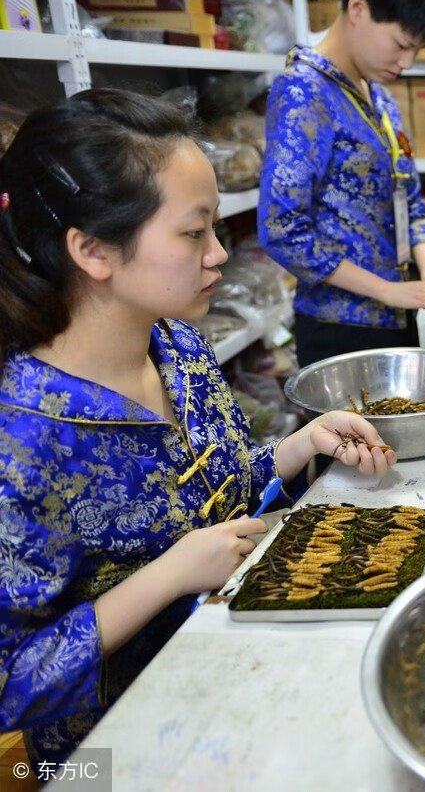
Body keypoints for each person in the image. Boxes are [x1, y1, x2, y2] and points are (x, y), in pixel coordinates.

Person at [0, 88, 398, 764]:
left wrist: (301, 447)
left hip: (236, 679)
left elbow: (220, 501)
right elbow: (12, 686)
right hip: (117, 755)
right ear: (94, 250)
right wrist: (166, 577)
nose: (218, 254)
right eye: (194, 232)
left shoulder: (178, 349)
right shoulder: (23, 438)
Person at [259, 0, 425, 368]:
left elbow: (409, 198)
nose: (407, 63)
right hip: (341, 327)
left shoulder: (379, 98)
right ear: (358, 8)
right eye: (402, 45)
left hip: (400, 312)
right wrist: (388, 291)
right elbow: (282, 228)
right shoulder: (303, 93)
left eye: (417, 51)